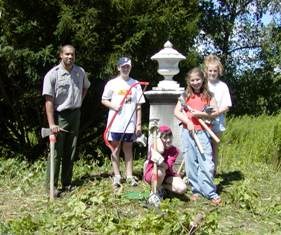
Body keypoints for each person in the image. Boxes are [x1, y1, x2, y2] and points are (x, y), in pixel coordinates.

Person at [42, 44, 90, 196]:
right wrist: (52, 124)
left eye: (72, 55)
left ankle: (67, 183)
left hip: (75, 114)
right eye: (67, 54)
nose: (70, 57)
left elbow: (85, 87)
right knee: (56, 152)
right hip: (59, 116)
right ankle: (51, 186)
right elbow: (48, 101)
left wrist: (78, 102)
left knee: (70, 150)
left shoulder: (80, 72)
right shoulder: (52, 75)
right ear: (61, 55)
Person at [174, 67, 221, 205]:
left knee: (206, 162)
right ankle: (196, 191)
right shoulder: (185, 96)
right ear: (189, 81)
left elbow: (215, 112)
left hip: (203, 132)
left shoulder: (209, 95)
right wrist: (188, 121)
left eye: (198, 79)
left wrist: (200, 114)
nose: (195, 82)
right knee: (190, 162)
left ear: (203, 79)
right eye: (192, 80)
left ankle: (210, 192)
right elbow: (177, 111)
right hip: (188, 132)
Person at [101, 57, 145, 188]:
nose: (126, 68)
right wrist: (114, 106)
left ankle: (129, 176)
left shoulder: (135, 84)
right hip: (116, 123)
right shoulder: (112, 83)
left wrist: (138, 123)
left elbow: (138, 105)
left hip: (130, 124)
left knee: (128, 149)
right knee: (115, 149)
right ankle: (117, 176)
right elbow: (104, 99)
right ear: (118, 68)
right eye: (123, 66)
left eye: (128, 66)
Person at [143, 125, 187, 207]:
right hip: (153, 174)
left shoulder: (175, 150)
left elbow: (167, 166)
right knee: (160, 172)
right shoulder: (155, 146)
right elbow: (161, 150)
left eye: (170, 136)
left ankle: (162, 187)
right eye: (165, 137)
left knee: (182, 188)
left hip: (167, 175)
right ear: (159, 139)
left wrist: (159, 161)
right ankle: (153, 194)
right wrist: (157, 139)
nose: (168, 140)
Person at [204, 55, 232, 175]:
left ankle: (213, 171)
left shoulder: (223, 86)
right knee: (204, 146)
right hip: (203, 119)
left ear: (218, 71)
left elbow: (227, 106)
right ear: (206, 71)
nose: (212, 73)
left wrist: (216, 113)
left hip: (218, 120)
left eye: (215, 71)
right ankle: (204, 170)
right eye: (210, 70)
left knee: (214, 146)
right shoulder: (203, 84)